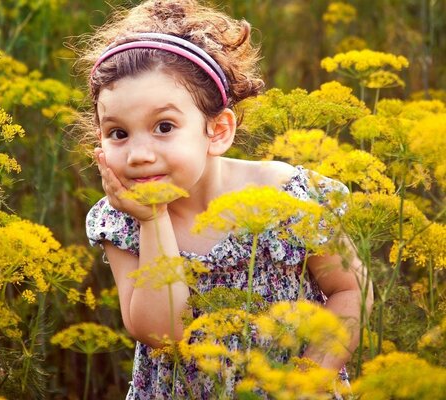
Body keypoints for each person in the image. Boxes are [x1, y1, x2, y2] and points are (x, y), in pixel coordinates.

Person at [81, 0, 373, 398]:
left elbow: (351, 288)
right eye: (118, 133)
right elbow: (162, 332)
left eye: (163, 126)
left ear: (217, 131)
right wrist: (152, 220)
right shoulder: (122, 219)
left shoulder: (287, 197)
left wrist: (308, 380)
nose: (138, 154)